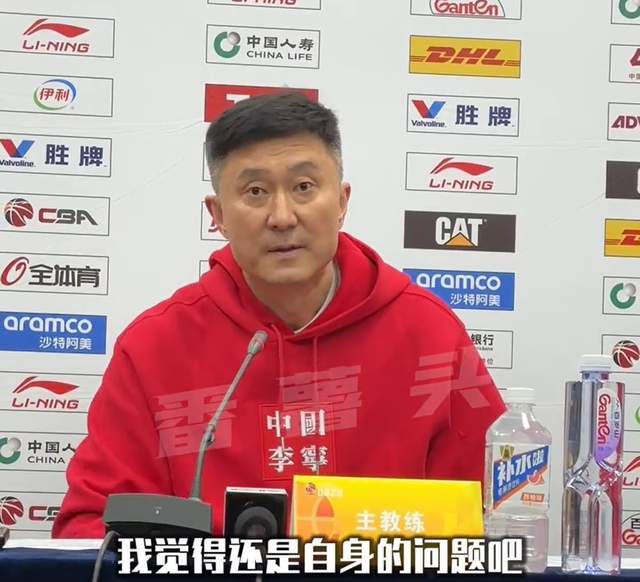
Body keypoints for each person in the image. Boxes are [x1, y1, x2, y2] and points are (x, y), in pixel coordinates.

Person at [52, 93, 506, 538]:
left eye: (304, 187)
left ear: (342, 201)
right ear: (218, 214)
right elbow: (91, 530)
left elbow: (495, 515)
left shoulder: (429, 334)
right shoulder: (156, 347)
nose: (282, 217)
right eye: (255, 192)